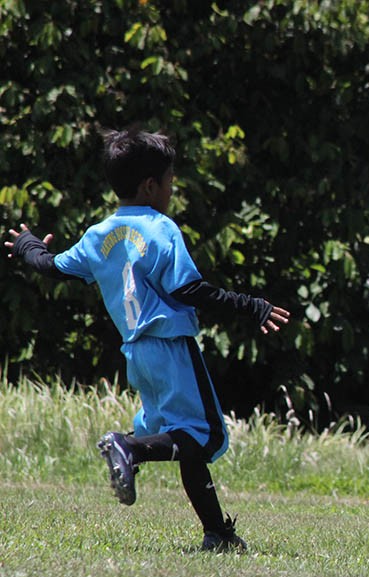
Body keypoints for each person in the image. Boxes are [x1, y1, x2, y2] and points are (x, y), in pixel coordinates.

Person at [5, 128, 290, 553]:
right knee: (204, 436)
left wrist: (27, 245)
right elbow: (186, 290)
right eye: (171, 182)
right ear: (151, 186)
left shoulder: (99, 234)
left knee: (183, 439)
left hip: (136, 354)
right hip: (171, 348)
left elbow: (51, 267)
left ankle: (218, 535)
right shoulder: (161, 229)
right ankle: (130, 448)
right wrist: (251, 306)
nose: (171, 190)